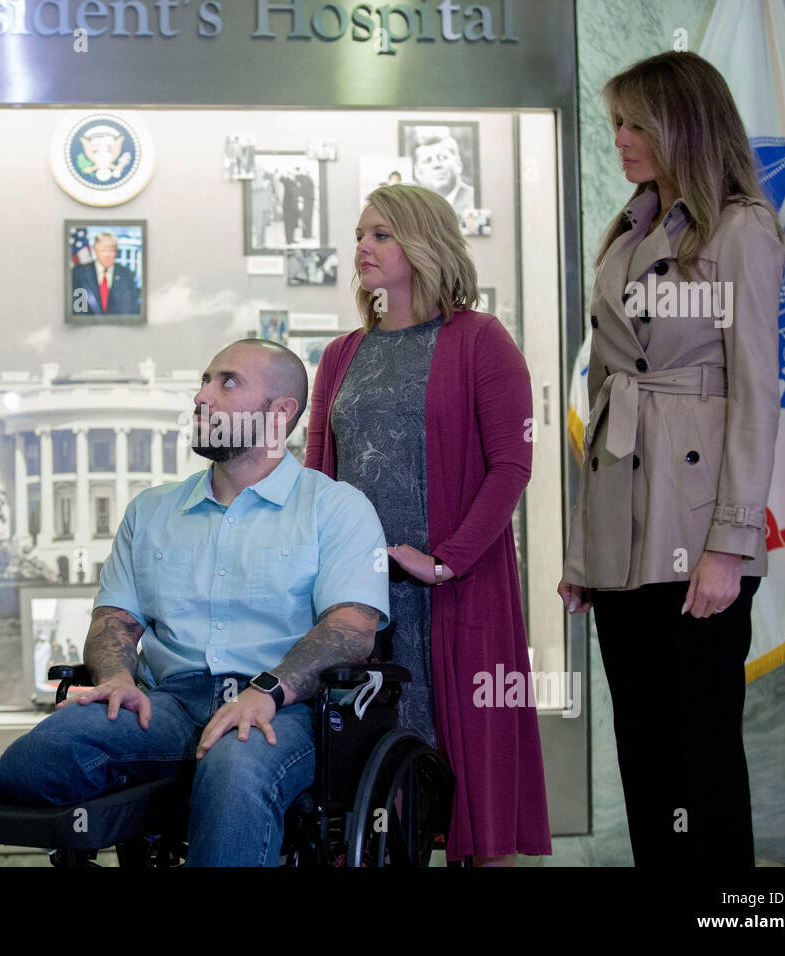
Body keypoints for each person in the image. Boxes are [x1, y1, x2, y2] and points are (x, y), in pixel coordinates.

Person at [0, 339, 390, 866]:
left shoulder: (336, 508)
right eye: (203, 380)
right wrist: (117, 679)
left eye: (228, 382)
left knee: (235, 763)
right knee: (35, 761)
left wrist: (267, 691)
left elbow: (351, 629)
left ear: (281, 412)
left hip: (285, 708)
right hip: (169, 705)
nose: (202, 396)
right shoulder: (152, 510)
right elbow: (115, 618)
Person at [557, 51, 784, 867]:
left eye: (634, 123)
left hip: (700, 532)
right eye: (615, 121)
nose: (617, 138)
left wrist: (731, 542)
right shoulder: (627, 231)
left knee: (704, 757)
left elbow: (758, 393)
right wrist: (587, 551)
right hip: (624, 540)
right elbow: (612, 394)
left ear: (681, 125)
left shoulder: (741, 228)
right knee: (645, 755)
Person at [305, 183, 551, 866]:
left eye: (381, 233)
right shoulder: (339, 354)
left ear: (424, 243)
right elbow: (318, 478)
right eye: (360, 234)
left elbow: (512, 466)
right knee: (361, 780)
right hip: (361, 598)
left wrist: (445, 560)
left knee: (464, 775)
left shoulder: (479, 340)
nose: (363, 247)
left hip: (453, 591)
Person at [410, 128, 476, 218]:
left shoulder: (473, 199)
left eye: (443, 157)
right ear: (418, 172)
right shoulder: (411, 207)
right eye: (427, 161)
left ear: (458, 164)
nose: (437, 165)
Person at [69, 232, 140, 316]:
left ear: (116, 252)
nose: (107, 255)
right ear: (95, 251)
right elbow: (77, 310)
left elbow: (132, 309)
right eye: (102, 251)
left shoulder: (127, 274)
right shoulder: (80, 273)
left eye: (111, 251)